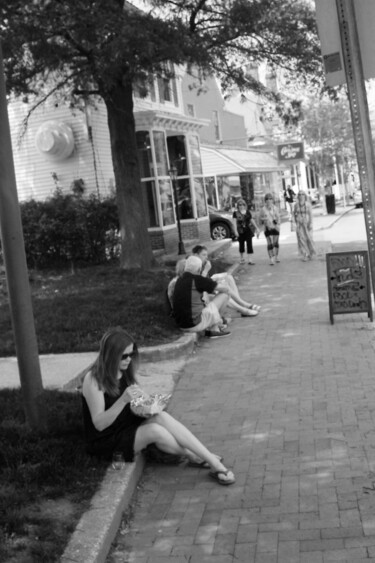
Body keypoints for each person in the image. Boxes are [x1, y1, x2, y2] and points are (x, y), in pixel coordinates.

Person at [81, 327, 235, 485]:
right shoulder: (93, 379)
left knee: (160, 417)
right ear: (111, 356)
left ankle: (209, 460)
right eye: (124, 356)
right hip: (106, 441)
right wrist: (123, 400)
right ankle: (199, 457)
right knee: (155, 431)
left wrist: (147, 404)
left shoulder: (123, 370)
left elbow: (135, 400)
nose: (129, 359)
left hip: (125, 426)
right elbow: (99, 424)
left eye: (132, 354)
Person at [192, 245, 260, 317]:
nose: (206, 257)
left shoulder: (202, 264)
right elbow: (198, 283)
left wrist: (213, 280)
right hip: (201, 298)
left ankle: (241, 304)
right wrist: (206, 271)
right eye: (203, 255)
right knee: (224, 291)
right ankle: (243, 308)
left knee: (228, 277)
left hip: (204, 290)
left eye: (206, 254)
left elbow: (204, 281)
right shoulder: (192, 266)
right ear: (196, 255)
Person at [172, 255, 231, 338]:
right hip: (194, 324)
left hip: (182, 325)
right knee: (224, 295)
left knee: (207, 300)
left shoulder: (179, 280)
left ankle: (214, 326)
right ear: (199, 269)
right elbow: (224, 289)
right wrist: (224, 285)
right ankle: (215, 328)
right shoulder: (197, 279)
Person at [232, 199, 260, 265]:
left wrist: (256, 228)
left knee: (249, 244)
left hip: (247, 230)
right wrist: (235, 231)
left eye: (243, 204)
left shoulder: (247, 212)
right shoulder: (235, 213)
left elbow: (251, 220)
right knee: (241, 245)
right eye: (240, 205)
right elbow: (234, 223)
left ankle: (250, 260)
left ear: (245, 205)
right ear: (238, 206)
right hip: (240, 231)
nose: (241, 206)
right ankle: (242, 258)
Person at [293, 191, 316, 261]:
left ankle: (311, 253)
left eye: (302, 194)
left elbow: (311, 215)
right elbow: (294, 214)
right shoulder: (296, 205)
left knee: (309, 239)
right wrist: (295, 222)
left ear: (305, 196)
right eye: (299, 194)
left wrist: (311, 223)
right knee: (301, 240)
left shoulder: (308, 205)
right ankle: (305, 254)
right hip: (300, 224)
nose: (301, 196)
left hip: (307, 223)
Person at [258, 193, 281, 266]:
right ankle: (271, 258)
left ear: (272, 200)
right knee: (269, 243)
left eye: (270, 199)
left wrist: (276, 222)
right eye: (267, 199)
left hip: (275, 228)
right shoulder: (263, 209)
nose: (269, 200)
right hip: (267, 228)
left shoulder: (275, 208)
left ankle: (276, 256)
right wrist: (263, 219)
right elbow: (259, 220)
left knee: (275, 243)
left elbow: (279, 218)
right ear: (265, 200)